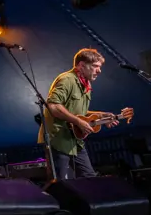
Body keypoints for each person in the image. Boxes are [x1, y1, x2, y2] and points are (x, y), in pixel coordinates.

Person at [40, 48, 116, 180]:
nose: (99, 70)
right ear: (81, 65)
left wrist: (100, 115)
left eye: (100, 67)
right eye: (95, 66)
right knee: (60, 182)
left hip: (75, 140)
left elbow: (79, 113)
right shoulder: (67, 80)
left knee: (90, 178)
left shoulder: (86, 84)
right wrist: (78, 121)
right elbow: (54, 106)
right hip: (58, 139)